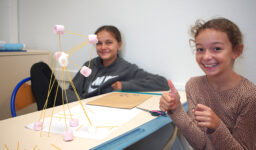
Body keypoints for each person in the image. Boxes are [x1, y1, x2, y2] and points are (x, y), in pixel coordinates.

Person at [159, 18, 256, 149]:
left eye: (216, 48)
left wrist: (217, 126)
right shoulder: (193, 86)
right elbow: (200, 143)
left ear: (236, 51)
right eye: (200, 49)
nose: (206, 56)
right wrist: (176, 109)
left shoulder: (249, 96)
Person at [31, 25, 169, 110]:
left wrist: (124, 85)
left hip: (96, 111)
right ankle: (47, 111)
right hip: (75, 106)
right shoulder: (89, 65)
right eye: (99, 43)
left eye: (108, 43)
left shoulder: (127, 69)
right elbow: (73, 90)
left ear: (119, 45)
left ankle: (47, 112)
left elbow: (161, 82)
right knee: (39, 68)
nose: (103, 47)